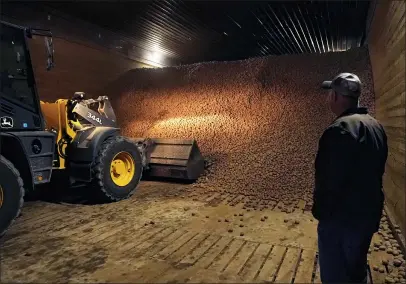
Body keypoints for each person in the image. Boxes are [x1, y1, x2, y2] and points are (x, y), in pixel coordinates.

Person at [312, 72, 388, 283]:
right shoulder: (375, 126)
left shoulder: (339, 130)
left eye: (330, 94)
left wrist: (321, 213)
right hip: (367, 216)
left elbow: (329, 180)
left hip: (342, 221)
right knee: (356, 271)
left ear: (335, 97)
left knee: (336, 275)